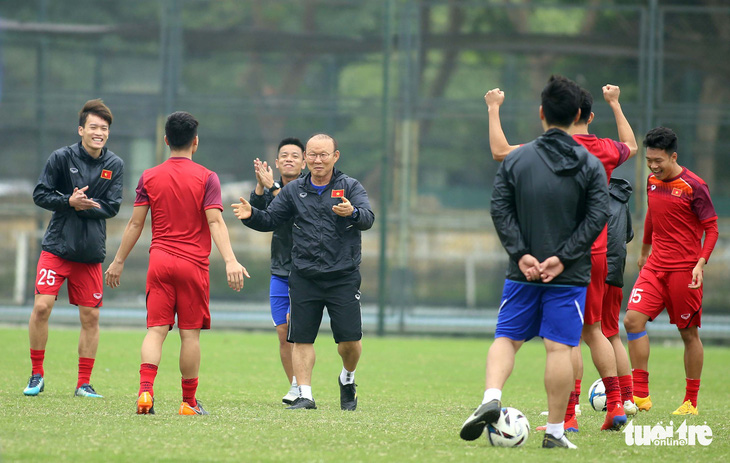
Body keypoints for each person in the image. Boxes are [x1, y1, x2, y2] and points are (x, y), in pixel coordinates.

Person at [459, 75, 609, 449]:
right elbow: (597, 216)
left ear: (541, 113)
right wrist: (562, 259)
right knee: (559, 347)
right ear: (578, 115)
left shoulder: (518, 157)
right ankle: (556, 432)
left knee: (507, 338)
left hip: (521, 274)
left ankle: (491, 397)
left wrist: (522, 254)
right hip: (569, 275)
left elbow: (499, 208)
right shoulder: (589, 163)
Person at [484, 84, 638, 432]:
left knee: (562, 339)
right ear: (586, 115)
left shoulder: (538, 152)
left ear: (543, 114)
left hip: (552, 255)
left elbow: (499, 152)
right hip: (596, 250)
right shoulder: (602, 151)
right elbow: (631, 145)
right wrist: (616, 103)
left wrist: (494, 108)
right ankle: (617, 403)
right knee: (596, 330)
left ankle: (566, 417)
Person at [104, 111, 249, 415]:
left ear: (166, 140)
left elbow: (134, 224)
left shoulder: (149, 176)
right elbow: (215, 221)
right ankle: (188, 402)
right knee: (189, 334)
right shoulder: (207, 177)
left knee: (156, 330)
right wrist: (231, 260)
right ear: (195, 142)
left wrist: (117, 261)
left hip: (159, 261)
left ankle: (145, 393)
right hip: (192, 264)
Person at [233, 133, 374, 411]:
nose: (317, 160)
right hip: (304, 276)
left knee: (350, 342)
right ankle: (305, 395)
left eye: (323, 155)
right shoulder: (293, 190)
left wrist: (353, 212)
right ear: (306, 158)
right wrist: (251, 215)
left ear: (335, 156)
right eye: (312, 155)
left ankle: (347, 378)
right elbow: (271, 219)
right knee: (300, 337)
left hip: (342, 276)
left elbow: (368, 218)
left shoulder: (350, 186)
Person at [25, 99, 124, 398]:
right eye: (93, 127)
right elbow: (40, 194)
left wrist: (85, 205)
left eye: (104, 128)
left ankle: (84, 383)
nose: (99, 133)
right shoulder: (60, 157)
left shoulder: (114, 165)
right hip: (56, 248)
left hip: (90, 253)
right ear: (81, 129)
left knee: (90, 318)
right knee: (42, 307)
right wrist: (69, 201)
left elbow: (113, 207)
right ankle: (36, 375)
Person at [623, 127, 718, 416]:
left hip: (684, 271)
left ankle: (690, 401)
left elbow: (712, 228)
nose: (653, 165)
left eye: (658, 161)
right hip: (655, 267)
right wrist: (643, 251)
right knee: (632, 321)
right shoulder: (652, 180)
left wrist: (700, 263)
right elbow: (652, 213)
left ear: (673, 156)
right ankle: (641, 396)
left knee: (688, 334)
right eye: (649, 159)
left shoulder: (695, 185)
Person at [248, 137, 307, 404]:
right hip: (280, 270)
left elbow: (297, 211)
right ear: (276, 161)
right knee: (283, 333)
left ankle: (304, 386)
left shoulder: (310, 188)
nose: (289, 159)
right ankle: (294, 386)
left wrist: (271, 186)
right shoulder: (274, 186)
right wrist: (261, 188)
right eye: (284, 155)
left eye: (295, 155)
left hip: (307, 271)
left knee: (298, 331)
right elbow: (260, 217)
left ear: (304, 162)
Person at [602, 177, 635, 413]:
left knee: (570, 339)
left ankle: (570, 407)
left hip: (589, 274)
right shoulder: (620, 197)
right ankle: (627, 399)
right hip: (615, 274)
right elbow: (628, 234)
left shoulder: (585, 191)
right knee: (612, 334)